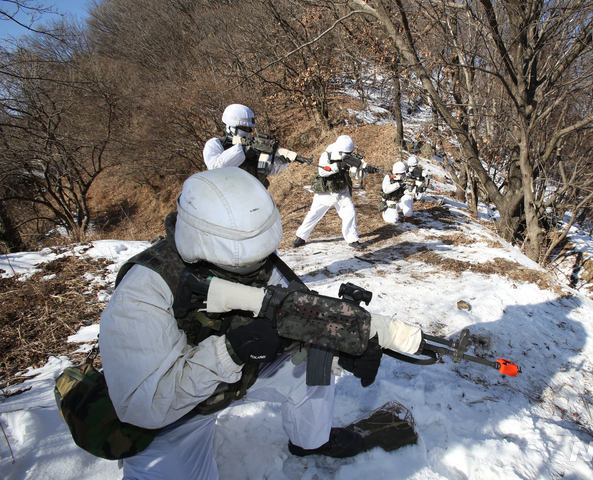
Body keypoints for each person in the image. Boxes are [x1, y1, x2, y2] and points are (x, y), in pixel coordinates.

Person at [98, 168, 422, 479]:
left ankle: (311, 442)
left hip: (238, 375)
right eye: (249, 263)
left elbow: (296, 311)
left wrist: (337, 346)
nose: (260, 268)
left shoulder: (251, 259)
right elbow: (142, 406)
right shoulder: (143, 293)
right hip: (175, 410)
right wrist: (233, 351)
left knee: (312, 370)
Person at [291, 135, 363, 249]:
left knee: (350, 213)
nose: (348, 155)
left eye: (349, 153)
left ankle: (353, 239)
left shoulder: (350, 156)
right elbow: (322, 171)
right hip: (325, 191)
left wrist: (362, 169)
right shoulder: (327, 154)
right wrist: (339, 165)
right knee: (314, 214)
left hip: (341, 190)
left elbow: (358, 176)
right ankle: (301, 237)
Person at [203, 104, 300, 188]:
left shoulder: (252, 145)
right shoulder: (214, 144)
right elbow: (216, 168)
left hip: (254, 197)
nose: (247, 130)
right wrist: (243, 151)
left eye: (249, 128)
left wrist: (281, 161)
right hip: (229, 200)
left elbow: (269, 169)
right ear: (231, 127)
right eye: (243, 128)